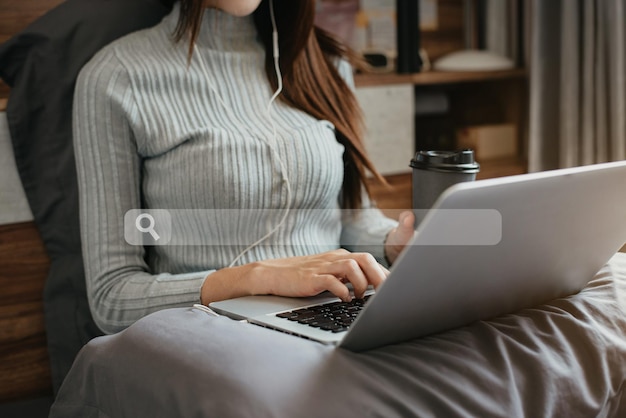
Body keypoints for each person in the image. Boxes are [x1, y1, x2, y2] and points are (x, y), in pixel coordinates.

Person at [73, 0, 415, 334]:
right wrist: (257, 278)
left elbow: (348, 219)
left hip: (336, 316)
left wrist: (391, 244)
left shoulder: (323, 60)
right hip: (217, 336)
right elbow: (112, 298)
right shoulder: (116, 77)